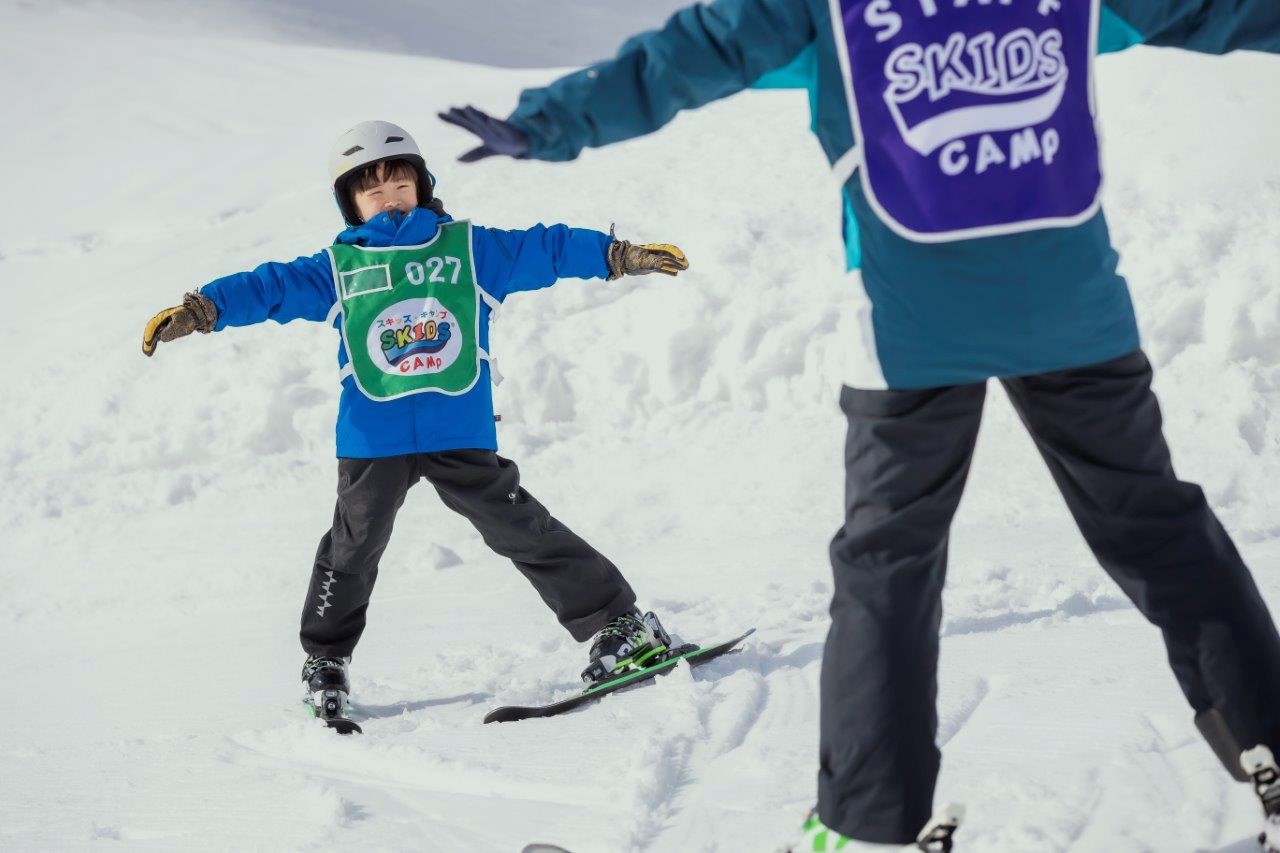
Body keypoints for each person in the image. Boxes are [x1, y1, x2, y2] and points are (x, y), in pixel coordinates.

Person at [438, 2, 1280, 849]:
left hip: (916, 327)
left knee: (889, 561)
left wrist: (546, 123)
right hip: (1072, 310)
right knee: (1161, 530)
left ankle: (872, 826)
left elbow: (694, 55)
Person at [140, 120, 691, 728]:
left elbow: (546, 248)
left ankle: (619, 626)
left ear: (421, 186)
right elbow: (270, 287)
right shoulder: (338, 267)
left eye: (400, 182)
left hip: (457, 426)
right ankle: (325, 662)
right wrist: (204, 309)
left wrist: (614, 255)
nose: (389, 196)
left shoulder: (470, 249)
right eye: (372, 190)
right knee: (353, 547)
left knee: (521, 528)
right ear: (350, 204)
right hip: (373, 435)